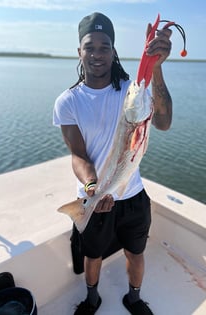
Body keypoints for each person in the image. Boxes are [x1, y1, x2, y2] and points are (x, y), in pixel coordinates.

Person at [53, 12, 172, 315]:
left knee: (136, 252)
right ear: (79, 51)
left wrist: (156, 71)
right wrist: (93, 189)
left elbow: (163, 121)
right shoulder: (68, 101)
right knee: (93, 256)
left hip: (132, 195)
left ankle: (134, 297)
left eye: (104, 47)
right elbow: (78, 155)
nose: (97, 54)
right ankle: (92, 298)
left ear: (114, 51)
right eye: (89, 47)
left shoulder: (131, 91)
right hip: (94, 197)